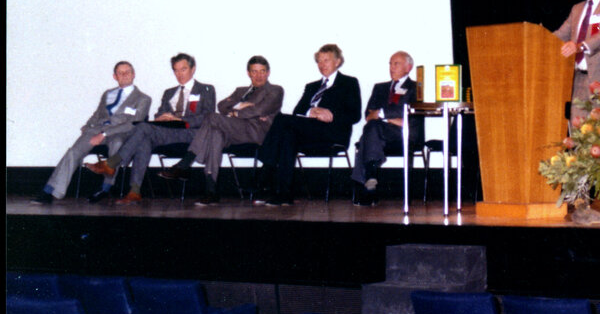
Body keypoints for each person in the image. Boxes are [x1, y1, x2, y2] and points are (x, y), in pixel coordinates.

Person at [85, 53, 216, 205]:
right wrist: (162, 117)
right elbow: (159, 112)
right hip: (168, 131)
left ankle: (112, 163)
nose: (179, 74)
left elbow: (207, 116)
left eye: (183, 69)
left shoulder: (206, 89)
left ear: (193, 69)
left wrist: (180, 120)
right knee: (144, 139)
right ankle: (134, 191)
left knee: (142, 127)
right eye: (176, 70)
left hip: (191, 133)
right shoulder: (169, 92)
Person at [158, 56, 283, 206]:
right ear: (248, 73)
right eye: (254, 71)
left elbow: (260, 110)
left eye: (262, 71)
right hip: (234, 129)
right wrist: (242, 106)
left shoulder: (275, 90)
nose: (259, 75)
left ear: (268, 72)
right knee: (215, 134)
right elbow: (222, 105)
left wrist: (237, 111)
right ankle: (211, 191)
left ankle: (185, 163)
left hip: (257, 131)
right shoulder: (241, 91)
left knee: (211, 117)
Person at [31, 61, 153, 205]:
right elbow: (98, 114)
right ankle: (50, 190)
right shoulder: (108, 94)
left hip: (121, 133)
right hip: (97, 130)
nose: (124, 75)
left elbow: (133, 123)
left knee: (117, 144)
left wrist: (105, 134)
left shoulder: (143, 99)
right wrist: (87, 126)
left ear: (133, 75)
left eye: (127, 72)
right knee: (73, 152)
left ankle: (105, 188)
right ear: (115, 76)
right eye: (120, 73)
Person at [254, 43, 361, 206]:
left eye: (326, 60)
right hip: (309, 133)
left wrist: (330, 114)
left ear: (337, 61)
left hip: (333, 133)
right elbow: (298, 111)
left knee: (281, 120)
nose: (322, 65)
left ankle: (265, 172)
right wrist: (312, 111)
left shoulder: (349, 83)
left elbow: (355, 115)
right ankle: (284, 194)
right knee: (288, 135)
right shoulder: (312, 86)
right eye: (319, 61)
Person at [350, 51, 421, 206]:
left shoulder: (416, 87)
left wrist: (382, 115)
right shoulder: (379, 88)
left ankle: (370, 181)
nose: (391, 67)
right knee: (372, 127)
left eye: (396, 63)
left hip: (404, 134)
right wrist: (393, 118)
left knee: (369, 134)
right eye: (390, 63)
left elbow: (409, 117)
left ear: (408, 67)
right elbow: (368, 115)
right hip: (380, 134)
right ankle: (370, 177)